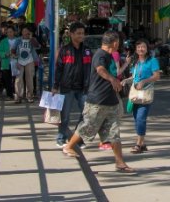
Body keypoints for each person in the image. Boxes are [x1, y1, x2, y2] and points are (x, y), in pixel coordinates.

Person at [62, 32, 136, 174]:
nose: (119, 45)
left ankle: (120, 163)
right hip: (98, 101)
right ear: (115, 43)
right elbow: (100, 69)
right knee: (88, 127)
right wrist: (112, 79)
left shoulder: (109, 55)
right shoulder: (100, 55)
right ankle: (69, 146)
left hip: (111, 101)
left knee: (114, 133)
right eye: (118, 42)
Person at [53, 21, 92, 147]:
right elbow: (59, 69)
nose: (81, 36)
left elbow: (91, 68)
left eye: (83, 33)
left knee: (86, 113)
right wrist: (55, 86)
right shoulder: (64, 50)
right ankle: (61, 137)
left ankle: (77, 137)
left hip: (83, 88)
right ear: (71, 34)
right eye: (78, 33)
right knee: (64, 115)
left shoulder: (87, 50)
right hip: (67, 86)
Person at [127, 39, 161, 154]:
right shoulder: (135, 62)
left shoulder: (152, 61)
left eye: (143, 47)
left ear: (147, 49)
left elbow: (157, 76)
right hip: (135, 94)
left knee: (141, 118)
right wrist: (125, 80)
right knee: (137, 119)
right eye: (138, 47)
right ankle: (142, 143)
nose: (140, 49)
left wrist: (144, 81)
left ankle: (138, 145)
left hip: (145, 94)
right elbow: (134, 77)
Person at [14, 25, 40, 103]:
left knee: (29, 79)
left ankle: (29, 96)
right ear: (21, 32)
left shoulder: (32, 39)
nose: (25, 33)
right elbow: (13, 49)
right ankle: (18, 96)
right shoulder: (18, 40)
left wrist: (31, 38)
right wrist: (14, 57)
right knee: (18, 79)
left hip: (30, 61)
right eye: (23, 31)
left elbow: (38, 46)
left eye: (26, 31)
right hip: (19, 60)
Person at [0, 25, 18, 100]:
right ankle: (10, 95)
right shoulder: (3, 41)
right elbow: (0, 52)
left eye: (11, 32)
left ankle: (16, 93)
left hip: (16, 62)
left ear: (14, 32)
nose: (9, 33)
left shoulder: (18, 40)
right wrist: (5, 54)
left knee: (16, 79)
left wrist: (16, 55)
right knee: (7, 80)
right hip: (6, 63)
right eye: (8, 32)